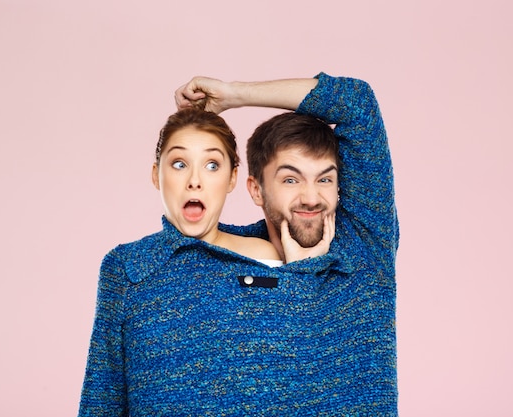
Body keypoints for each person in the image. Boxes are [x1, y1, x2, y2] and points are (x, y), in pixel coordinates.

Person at [78, 108, 335, 417]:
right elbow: (102, 395)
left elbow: (301, 380)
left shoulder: (264, 257)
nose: (195, 181)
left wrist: (300, 278)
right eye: (179, 164)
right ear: (155, 175)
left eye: (212, 165)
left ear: (232, 179)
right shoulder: (128, 266)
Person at [175, 72, 400, 415]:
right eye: (291, 179)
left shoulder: (364, 247)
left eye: (324, 178)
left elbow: (357, 102)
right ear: (255, 189)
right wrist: (297, 279)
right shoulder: (224, 260)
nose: (311, 197)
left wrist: (236, 94)